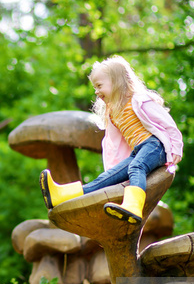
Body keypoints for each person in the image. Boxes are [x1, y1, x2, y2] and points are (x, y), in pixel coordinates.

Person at [40, 55, 183, 224]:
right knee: (106, 179)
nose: (96, 91)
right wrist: (114, 168)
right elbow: (113, 146)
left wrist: (175, 149)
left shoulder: (138, 100)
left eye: (99, 86)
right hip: (138, 151)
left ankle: (133, 206)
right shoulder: (113, 113)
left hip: (155, 145)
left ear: (116, 82)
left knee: (137, 166)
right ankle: (61, 196)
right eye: (95, 87)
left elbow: (168, 125)